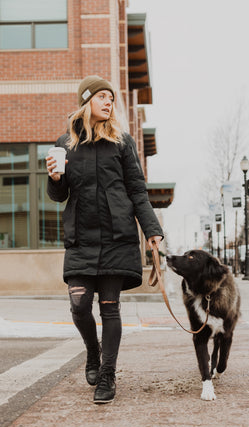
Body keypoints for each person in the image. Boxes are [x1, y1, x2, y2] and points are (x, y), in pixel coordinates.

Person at [46, 75, 163, 404]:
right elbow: (59, 194)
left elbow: (138, 191)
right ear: (86, 101)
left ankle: (107, 376)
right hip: (81, 239)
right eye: (101, 96)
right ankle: (93, 353)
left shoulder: (122, 142)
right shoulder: (65, 143)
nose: (109, 102)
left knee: (110, 310)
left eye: (110, 97)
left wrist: (151, 231)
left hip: (117, 237)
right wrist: (55, 178)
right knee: (80, 305)